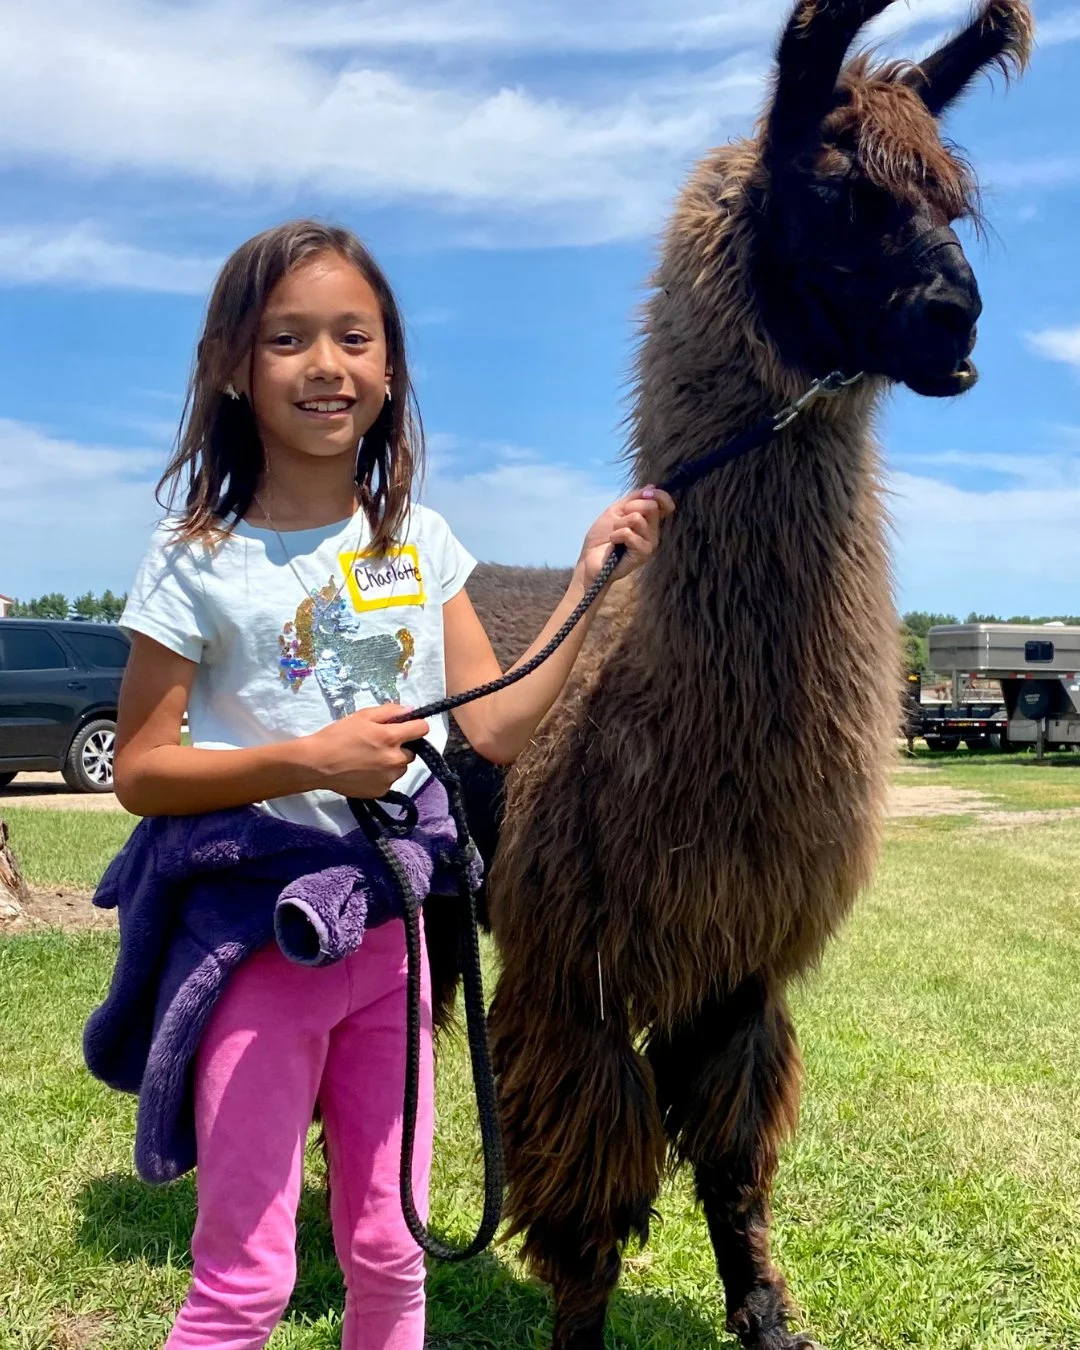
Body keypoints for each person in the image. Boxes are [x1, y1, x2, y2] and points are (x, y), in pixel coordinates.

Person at [111, 219, 674, 1350]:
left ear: (389, 367)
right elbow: (139, 770)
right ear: (233, 365)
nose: (327, 365)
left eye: (353, 338)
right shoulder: (194, 556)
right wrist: (303, 762)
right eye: (288, 338)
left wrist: (588, 583)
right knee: (247, 1279)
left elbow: (499, 725)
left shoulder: (419, 543)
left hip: (394, 941)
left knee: (388, 1249)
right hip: (260, 941)